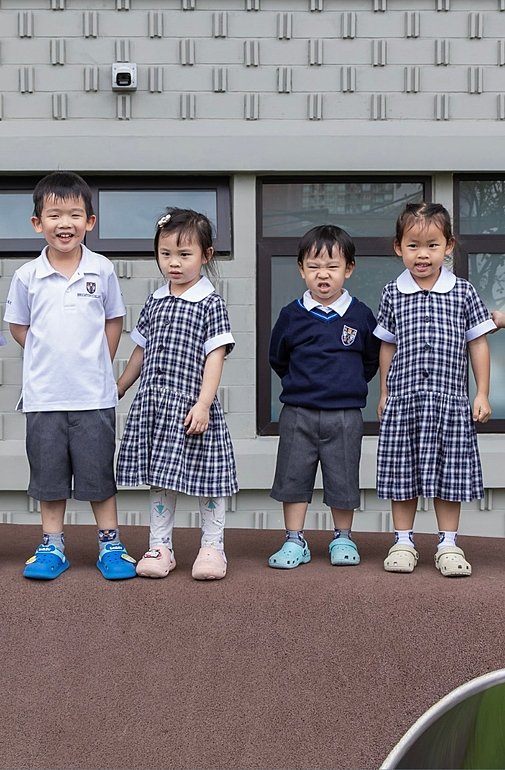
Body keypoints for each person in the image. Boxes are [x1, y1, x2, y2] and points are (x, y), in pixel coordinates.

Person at [3, 171, 136, 580]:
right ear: (36, 223)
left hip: (93, 396)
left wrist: (99, 360)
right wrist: (49, 355)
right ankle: (52, 546)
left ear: (90, 222)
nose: (66, 223)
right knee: (48, 479)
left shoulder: (102, 269)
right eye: (54, 214)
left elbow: (114, 319)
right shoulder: (27, 275)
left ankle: (110, 545)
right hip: (44, 397)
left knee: (99, 476)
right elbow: (18, 326)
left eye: (75, 215)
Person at [116, 207, 238, 580]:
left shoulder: (210, 303)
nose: (174, 263)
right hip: (156, 404)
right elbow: (141, 351)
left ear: (207, 255)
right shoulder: (155, 301)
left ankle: (213, 547)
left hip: (192, 407)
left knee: (207, 477)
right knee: (160, 478)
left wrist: (203, 403)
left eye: (184, 255)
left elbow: (215, 356)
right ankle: (160, 545)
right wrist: (118, 388)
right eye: (165, 253)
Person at [375, 202, 496, 577]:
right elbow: (387, 345)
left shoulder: (462, 292)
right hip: (405, 400)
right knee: (402, 471)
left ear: (449, 246)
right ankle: (403, 541)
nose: (422, 254)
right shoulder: (392, 293)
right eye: (413, 245)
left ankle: (448, 543)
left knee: (450, 474)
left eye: (431, 245)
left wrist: (481, 393)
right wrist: (384, 393)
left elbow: (477, 343)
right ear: (399, 247)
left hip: (450, 402)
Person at [268, 224, 380, 569]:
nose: (323, 275)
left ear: (348, 269)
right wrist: (304, 386)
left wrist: (344, 387)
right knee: (293, 477)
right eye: (314, 267)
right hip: (298, 412)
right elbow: (278, 358)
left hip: (345, 413)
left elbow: (370, 360)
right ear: (301, 269)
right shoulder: (291, 315)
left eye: (332, 267)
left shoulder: (360, 315)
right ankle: (294, 540)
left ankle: (342, 537)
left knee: (343, 477)